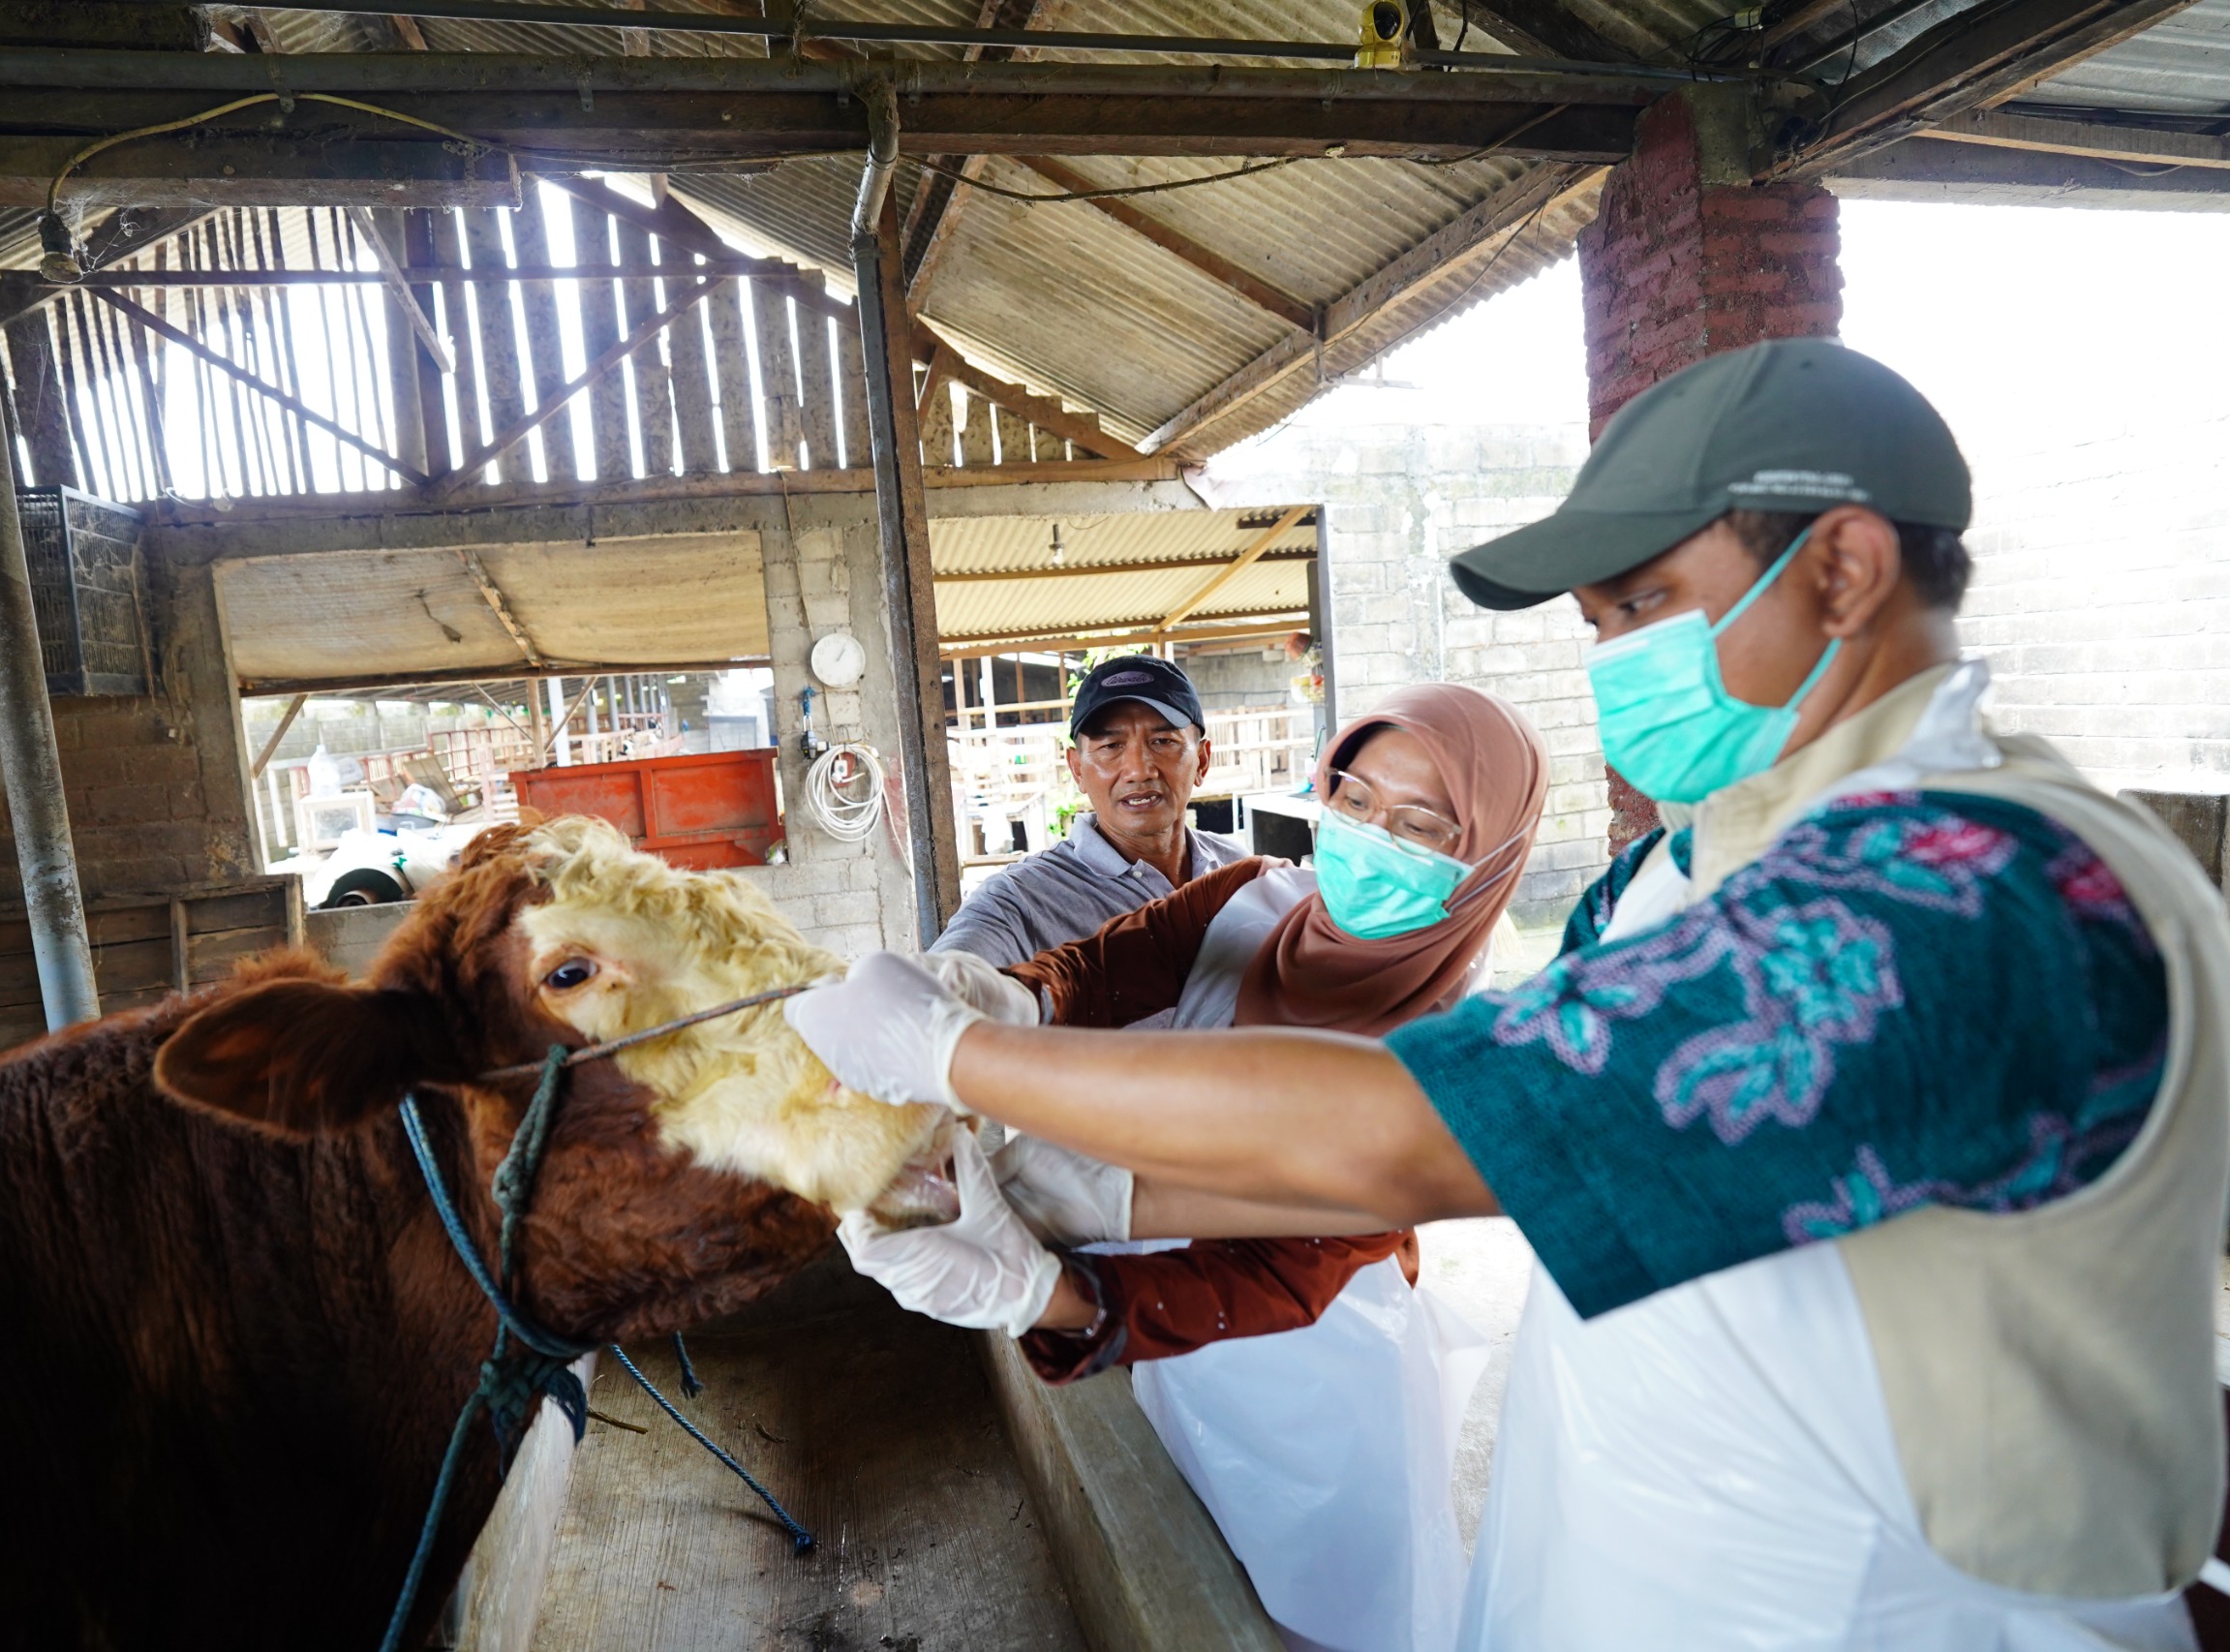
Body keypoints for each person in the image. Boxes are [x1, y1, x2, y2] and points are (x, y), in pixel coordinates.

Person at [791, 339, 2230, 1649]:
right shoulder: (1685, 874)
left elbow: (1429, 1135)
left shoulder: (1977, 888)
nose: (1617, 660)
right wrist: (1057, 1208)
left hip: (1880, 1605)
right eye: (1603, 621)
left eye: (1649, 601)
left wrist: (963, 1057)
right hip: (1621, 1552)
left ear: (1845, 571)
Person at [858, 685, 1544, 1652]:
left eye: (1420, 823)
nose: (1370, 837)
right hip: (1179, 1334)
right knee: (1197, 1567)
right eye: (1353, 799)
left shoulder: (1454, 1056)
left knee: (1341, 1604)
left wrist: (1049, 1291)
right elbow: (1101, 967)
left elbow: (1279, 1271)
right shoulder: (1253, 894)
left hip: (1323, 1369)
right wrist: (1003, 1001)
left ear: (1488, 859)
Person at [935, 655, 1246, 965]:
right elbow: (936, 986)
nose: (1138, 771)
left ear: (1202, 761)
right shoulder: (1021, 901)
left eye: (1163, 741)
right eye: (1111, 746)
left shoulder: (1237, 869)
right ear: (1077, 770)